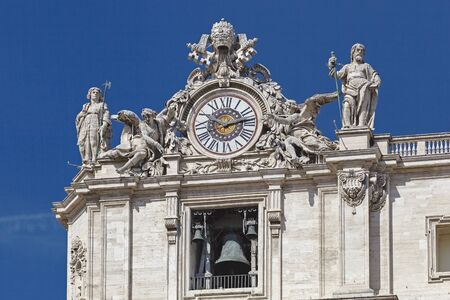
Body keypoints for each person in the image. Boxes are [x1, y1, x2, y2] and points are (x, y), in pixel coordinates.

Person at [328, 43, 381, 129]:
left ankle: (361, 126)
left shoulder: (366, 66)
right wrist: (331, 65)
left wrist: (377, 81)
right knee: (346, 104)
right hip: (350, 88)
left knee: (363, 107)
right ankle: (347, 126)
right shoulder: (347, 67)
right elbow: (336, 75)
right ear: (353, 52)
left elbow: (374, 74)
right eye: (358, 50)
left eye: (362, 51)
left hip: (364, 87)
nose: (360, 52)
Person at [75, 87, 111, 165]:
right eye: (93, 92)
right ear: (90, 95)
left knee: (93, 141)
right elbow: (79, 117)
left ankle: (95, 159)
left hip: (95, 121)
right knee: (82, 142)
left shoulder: (102, 104)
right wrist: (81, 115)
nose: (95, 94)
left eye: (97, 93)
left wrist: (104, 125)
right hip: (85, 123)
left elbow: (106, 114)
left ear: (100, 95)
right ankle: (86, 159)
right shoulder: (86, 106)